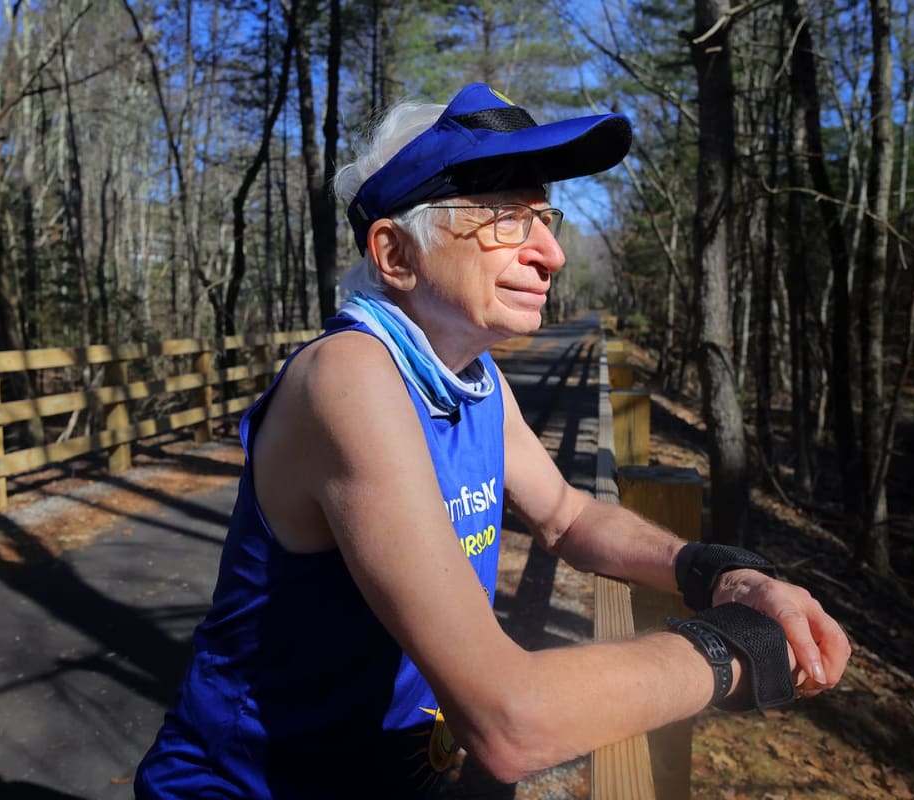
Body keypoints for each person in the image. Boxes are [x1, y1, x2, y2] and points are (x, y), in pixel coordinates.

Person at [133, 83, 851, 799]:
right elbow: (511, 722)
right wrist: (734, 648)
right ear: (395, 253)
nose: (552, 254)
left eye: (546, 217)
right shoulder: (347, 378)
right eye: (506, 219)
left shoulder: (472, 380)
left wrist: (715, 572)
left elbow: (568, 517)